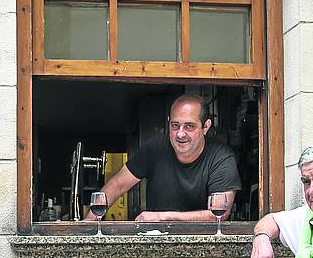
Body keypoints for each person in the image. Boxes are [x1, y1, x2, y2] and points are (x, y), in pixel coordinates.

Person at [90, 94, 242, 222]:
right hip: (157, 241)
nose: (180, 134)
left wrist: (163, 216)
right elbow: (118, 184)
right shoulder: (155, 148)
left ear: (206, 126)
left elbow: (219, 215)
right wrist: (89, 222)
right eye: (175, 125)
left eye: (189, 126)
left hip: (203, 244)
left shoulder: (221, 157)